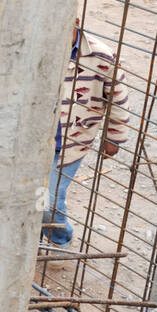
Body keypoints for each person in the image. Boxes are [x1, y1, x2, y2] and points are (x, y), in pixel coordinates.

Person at [43, 18, 131, 247]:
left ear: (76, 22)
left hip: (72, 141)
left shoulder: (100, 55)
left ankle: (61, 240)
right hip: (36, 139)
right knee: (34, 194)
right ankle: (36, 234)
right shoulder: (39, 44)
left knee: (50, 199)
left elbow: (117, 99)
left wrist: (113, 137)